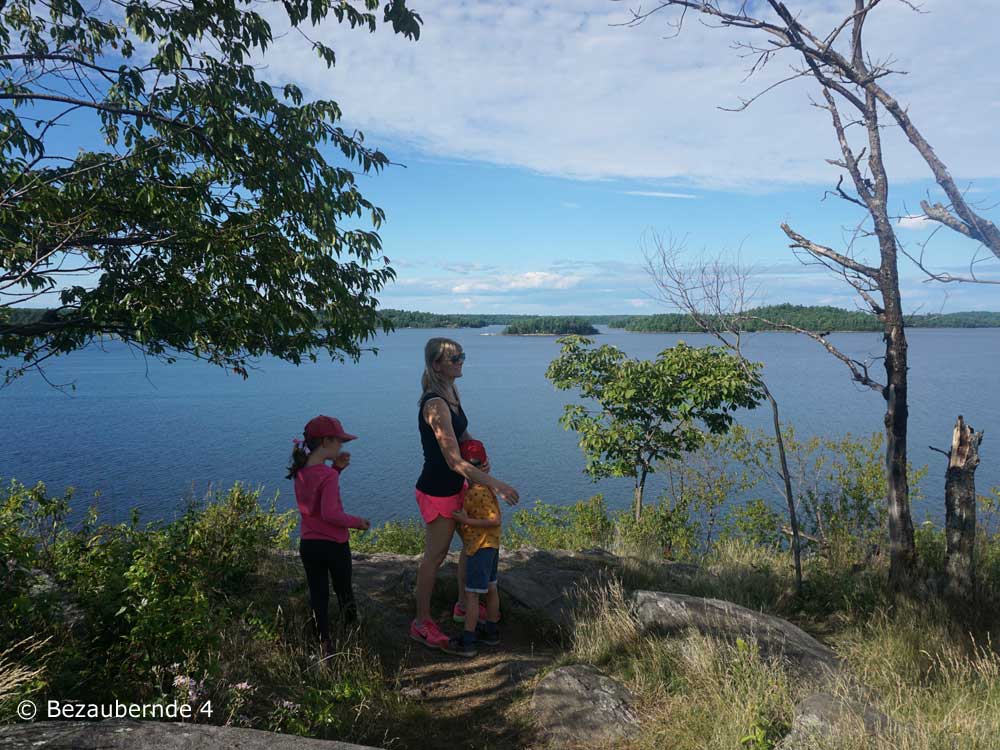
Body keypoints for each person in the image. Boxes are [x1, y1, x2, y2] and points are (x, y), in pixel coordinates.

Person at [410, 337, 520, 651]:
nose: (460, 362)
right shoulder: (434, 403)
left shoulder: (451, 392)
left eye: (462, 356)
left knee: (471, 545)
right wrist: (494, 483)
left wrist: (478, 453)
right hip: (438, 488)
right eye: (454, 358)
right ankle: (421, 623)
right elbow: (452, 461)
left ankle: (463, 606)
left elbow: (462, 436)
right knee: (435, 555)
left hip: (458, 485)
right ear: (436, 365)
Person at [287, 415, 371, 654]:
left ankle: (323, 643)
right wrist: (358, 523)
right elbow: (330, 514)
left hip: (309, 545)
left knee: (318, 594)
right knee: (344, 591)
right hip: (334, 545)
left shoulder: (301, 471)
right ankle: (354, 637)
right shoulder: (328, 476)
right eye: (339, 441)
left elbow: (315, 502)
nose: (341, 446)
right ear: (325, 442)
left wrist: (336, 469)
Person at [448, 439, 502, 658]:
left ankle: (468, 641)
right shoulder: (486, 486)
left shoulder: (477, 491)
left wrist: (466, 520)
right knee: (491, 588)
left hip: (480, 548)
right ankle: (491, 632)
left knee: (472, 595)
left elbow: (495, 519)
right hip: (491, 546)